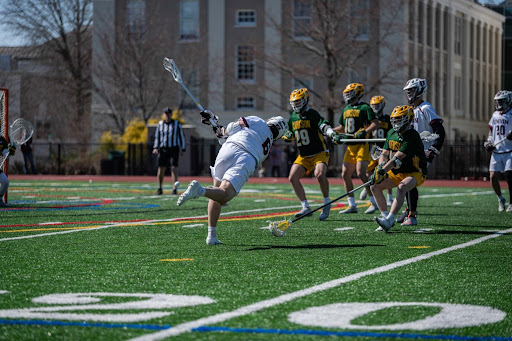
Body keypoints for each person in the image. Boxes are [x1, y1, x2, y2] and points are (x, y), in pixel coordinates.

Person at [176, 110, 288, 245]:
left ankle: (211, 236)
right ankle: (200, 191)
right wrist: (217, 126)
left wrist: (215, 123)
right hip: (246, 157)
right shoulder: (268, 145)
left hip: (228, 148)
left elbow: (230, 130)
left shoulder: (257, 120)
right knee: (224, 195)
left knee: (216, 192)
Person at [283, 88, 340, 221]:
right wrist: (288, 135)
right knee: (292, 177)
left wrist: (331, 134)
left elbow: (323, 125)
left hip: (319, 152)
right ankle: (305, 207)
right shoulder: (293, 117)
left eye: (298, 102)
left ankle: (326, 202)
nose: (296, 105)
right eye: (294, 102)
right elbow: (290, 132)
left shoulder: (313, 114)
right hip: (304, 155)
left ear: (305, 100)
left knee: (319, 174)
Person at [369, 105, 428, 232]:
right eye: (395, 120)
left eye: (399, 119)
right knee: (374, 186)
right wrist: (379, 167)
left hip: (415, 172)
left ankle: (390, 219)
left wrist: (382, 170)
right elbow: (384, 154)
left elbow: (396, 158)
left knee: (402, 187)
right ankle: (385, 218)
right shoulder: (391, 133)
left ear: (408, 119)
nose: (396, 123)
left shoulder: (412, 135)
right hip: (398, 172)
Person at [396, 78, 445, 226]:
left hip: (423, 151)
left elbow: (440, 131)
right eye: (408, 91)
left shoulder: (426, 108)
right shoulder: (412, 109)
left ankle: (412, 215)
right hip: (414, 151)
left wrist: (433, 149)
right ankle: (408, 210)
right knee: (406, 179)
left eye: (411, 90)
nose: (409, 94)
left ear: (419, 90)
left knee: (411, 179)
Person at [333, 83, 379, 214]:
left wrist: (364, 132)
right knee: (345, 174)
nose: (347, 95)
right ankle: (351, 204)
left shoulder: (365, 107)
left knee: (360, 173)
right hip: (350, 146)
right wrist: (331, 131)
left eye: (350, 93)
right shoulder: (346, 109)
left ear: (358, 93)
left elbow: (375, 123)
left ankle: (373, 201)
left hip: (362, 144)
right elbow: (342, 128)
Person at [359, 95, 393, 207]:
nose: (375, 107)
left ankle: (389, 197)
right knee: (368, 173)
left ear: (382, 105)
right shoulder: (369, 119)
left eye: (377, 105)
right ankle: (368, 188)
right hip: (372, 149)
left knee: (385, 173)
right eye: (373, 105)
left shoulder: (387, 119)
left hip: (384, 149)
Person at [484, 90, 512, 212]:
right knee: (493, 177)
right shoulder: (495, 115)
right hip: (497, 150)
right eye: (498, 101)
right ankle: (500, 198)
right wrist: (488, 142)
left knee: (509, 174)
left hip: (510, 150)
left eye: (501, 101)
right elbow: (491, 133)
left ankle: (511, 202)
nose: (499, 103)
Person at [152, 107, 186, 195]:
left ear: (171, 114)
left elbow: (181, 136)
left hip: (174, 148)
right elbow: (157, 137)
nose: (167, 115)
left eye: (169, 113)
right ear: (163, 114)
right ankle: (159, 188)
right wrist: (155, 147)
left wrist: (183, 148)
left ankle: (175, 188)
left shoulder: (177, 124)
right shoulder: (160, 124)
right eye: (165, 113)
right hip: (163, 149)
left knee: (174, 168)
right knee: (161, 168)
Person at [0, 136, 16, 207]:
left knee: (5, 181)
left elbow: (6, 155)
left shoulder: (2, 140)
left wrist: (11, 151)